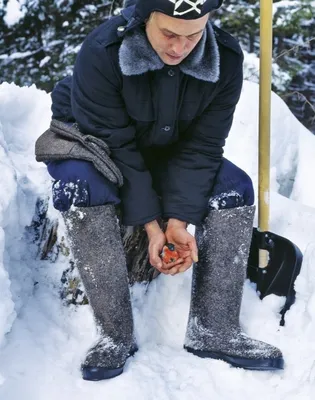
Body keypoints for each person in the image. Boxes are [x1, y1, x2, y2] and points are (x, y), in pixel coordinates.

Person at [35, 0, 284, 381]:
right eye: (168, 34)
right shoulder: (103, 52)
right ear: (144, 18)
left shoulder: (226, 58)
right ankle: (114, 334)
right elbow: (117, 149)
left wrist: (179, 221)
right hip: (94, 143)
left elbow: (202, 147)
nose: (180, 48)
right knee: (80, 189)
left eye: (193, 36)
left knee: (235, 188)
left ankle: (214, 329)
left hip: (167, 146)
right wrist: (152, 226)